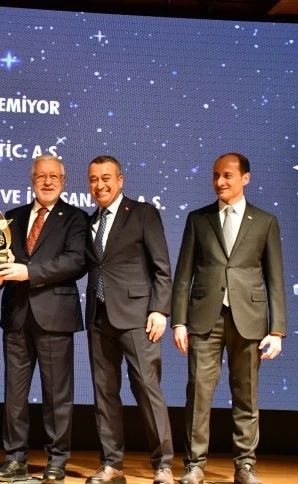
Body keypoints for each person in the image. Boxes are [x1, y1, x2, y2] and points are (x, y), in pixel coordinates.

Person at [171, 153, 286, 484]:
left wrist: (277, 330)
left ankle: (245, 465)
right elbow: (183, 275)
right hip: (204, 320)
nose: (220, 182)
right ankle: (194, 465)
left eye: (227, 175)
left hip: (249, 321)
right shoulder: (199, 219)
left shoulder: (264, 221)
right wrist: (179, 321)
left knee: (246, 396)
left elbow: (275, 278)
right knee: (198, 395)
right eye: (215, 175)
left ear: (245, 178)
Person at [0, 155, 87, 484]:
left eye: (53, 176)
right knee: (14, 396)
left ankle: (57, 460)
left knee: (57, 395)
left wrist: (27, 272)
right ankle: (14, 459)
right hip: (17, 316)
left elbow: (75, 262)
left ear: (63, 181)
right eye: (41, 176)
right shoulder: (11, 218)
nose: (47, 182)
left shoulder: (75, 218)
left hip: (55, 317)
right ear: (32, 179)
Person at [84, 156, 175, 484]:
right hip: (99, 318)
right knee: (104, 393)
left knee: (147, 390)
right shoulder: (89, 222)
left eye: (106, 178)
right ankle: (112, 465)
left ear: (120, 180)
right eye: (94, 179)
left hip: (138, 318)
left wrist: (159, 310)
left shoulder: (142, 213)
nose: (100, 185)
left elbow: (162, 267)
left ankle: (163, 465)